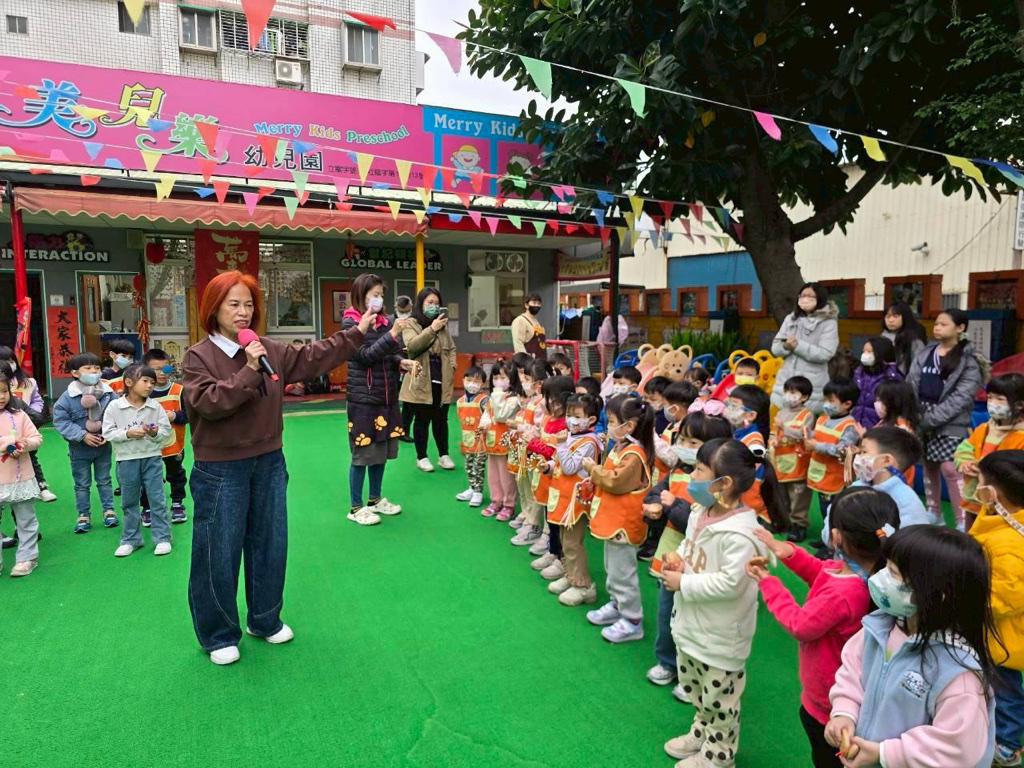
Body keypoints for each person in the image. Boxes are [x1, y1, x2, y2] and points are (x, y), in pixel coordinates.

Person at [183, 270, 371, 665]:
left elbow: (312, 357)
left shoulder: (266, 347)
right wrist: (250, 370)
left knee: (270, 543)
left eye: (249, 304)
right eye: (234, 304)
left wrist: (355, 334)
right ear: (213, 308)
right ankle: (218, 635)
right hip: (221, 469)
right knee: (218, 552)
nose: (243, 312)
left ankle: (265, 619)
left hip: (269, 460)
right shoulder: (199, 356)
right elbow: (209, 403)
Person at [750, 488, 899, 768]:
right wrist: (789, 552)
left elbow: (800, 624)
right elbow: (823, 571)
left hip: (828, 702)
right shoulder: (869, 574)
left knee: (827, 758)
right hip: (842, 695)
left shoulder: (844, 593)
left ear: (836, 536)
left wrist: (768, 583)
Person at [826, 526, 998, 768]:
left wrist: (885, 753)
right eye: (886, 567)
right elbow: (852, 671)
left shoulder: (958, 675)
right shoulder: (880, 627)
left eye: (893, 573)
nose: (881, 578)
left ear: (936, 592)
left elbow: (957, 748)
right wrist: (845, 711)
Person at [661, 438, 786, 767]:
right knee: (695, 688)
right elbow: (690, 547)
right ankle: (701, 732)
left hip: (720, 636)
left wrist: (683, 583)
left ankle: (719, 756)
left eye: (700, 470)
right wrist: (679, 559)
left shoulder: (742, 534)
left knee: (720, 701)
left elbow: (731, 584)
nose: (692, 476)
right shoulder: (700, 512)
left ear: (724, 483)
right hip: (691, 625)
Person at [643, 412, 732, 695]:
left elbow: (699, 524)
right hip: (671, 558)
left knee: (695, 622)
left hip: (700, 568)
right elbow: (654, 494)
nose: (683, 447)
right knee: (666, 613)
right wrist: (655, 507)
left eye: (692, 442)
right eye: (681, 439)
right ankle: (667, 661)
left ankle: (691, 673)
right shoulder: (679, 471)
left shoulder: (719, 489)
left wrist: (672, 506)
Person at [342, 274, 417, 526]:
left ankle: (374, 499)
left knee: (381, 451)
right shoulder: (351, 324)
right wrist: (393, 333)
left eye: (381, 295)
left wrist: (402, 362)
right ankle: (355, 507)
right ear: (361, 295)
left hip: (386, 397)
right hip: (363, 400)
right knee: (362, 453)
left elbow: (390, 354)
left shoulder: (384, 322)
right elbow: (365, 356)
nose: (379, 299)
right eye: (374, 294)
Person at [582, 395, 654, 644]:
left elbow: (615, 481)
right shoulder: (620, 446)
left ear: (629, 426)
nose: (609, 426)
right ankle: (617, 605)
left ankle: (632, 620)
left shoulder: (634, 454)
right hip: (613, 521)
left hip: (624, 524)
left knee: (623, 573)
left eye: (612, 421)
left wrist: (592, 469)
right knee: (612, 569)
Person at [907, 308, 983, 530]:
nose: (937, 328)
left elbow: (961, 397)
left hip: (952, 420)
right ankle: (934, 512)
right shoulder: (925, 354)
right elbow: (911, 383)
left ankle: (961, 521)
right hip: (921, 415)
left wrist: (930, 419)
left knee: (950, 468)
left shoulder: (969, 361)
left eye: (943, 324)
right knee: (928, 464)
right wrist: (915, 413)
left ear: (960, 328)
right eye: (936, 324)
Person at [972, 452, 1024, 766]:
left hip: (1002, 637)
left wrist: (965, 598)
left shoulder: (1009, 543)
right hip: (998, 633)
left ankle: (1007, 743)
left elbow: (1003, 598)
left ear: (991, 492)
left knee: (1005, 690)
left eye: (977, 483)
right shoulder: (1000, 518)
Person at [101, 363, 173, 558]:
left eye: (152, 382)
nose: (150, 385)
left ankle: (162, 538)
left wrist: (155, 432)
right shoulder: (115, 406)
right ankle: (131, 539)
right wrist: (128, 433)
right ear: (129, 382)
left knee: (157, 499)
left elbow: (165, 431)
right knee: (129, 501)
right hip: (126, 459)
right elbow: (107, 432)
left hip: (152, 458)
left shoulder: (155, 406)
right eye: (145, 381)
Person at [545, 393, 604, 607]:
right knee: (564, 540)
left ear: (591, 419)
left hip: (576, 502)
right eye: (569, 415)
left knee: (572, 543)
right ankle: (570, 575)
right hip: (563, 498)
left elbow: (570, 467)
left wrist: (560, 445)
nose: (571, 420)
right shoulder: (571, 436)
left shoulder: (589, 442)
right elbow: (560, 462)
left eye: (577, 416)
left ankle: (583, 585)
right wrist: (548, 467)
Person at [52, 353, 118, 533]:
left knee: (104, 480)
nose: (94, 371)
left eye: (97, 368)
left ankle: (109, 511)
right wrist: (82, 435)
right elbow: (61, 421)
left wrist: (108, 433)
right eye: (88, 368)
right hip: (79, 449)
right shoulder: (67, 397)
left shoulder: (108, 393)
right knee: (81, 484)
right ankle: (83, 514)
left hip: (103, 447)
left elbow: (117, 414)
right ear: (75, 373)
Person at [955, 373, 1024, 533]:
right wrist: (965, 462)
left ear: (1020, 404)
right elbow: (965, 448)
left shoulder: (1021, 436)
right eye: (990, 397)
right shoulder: (984, 428)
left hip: (1005, 504)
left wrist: (988, 470)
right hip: (975, 500)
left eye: (1000, 399)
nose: (992, 403)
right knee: (970, 537)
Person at [399, 287, 457, 473]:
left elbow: (451, 348)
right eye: (430, 302)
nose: (434, 306)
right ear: (421, 303)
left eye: (437, 303)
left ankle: (443, 454)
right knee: (422, 420)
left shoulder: (442, 325)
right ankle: (421, 457)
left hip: (442, 378)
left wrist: (452, 365)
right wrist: (432, 329)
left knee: (441, 419)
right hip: (421, 378)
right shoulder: (411, 323)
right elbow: (412, 345)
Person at [770, 282, 839, 414]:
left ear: (820, 298)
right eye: (802, 295)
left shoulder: (828, 322)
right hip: (785, 383)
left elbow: (825, 353)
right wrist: (786, 346)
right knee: (781, 421)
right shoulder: (791, 318)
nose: (805, 299)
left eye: (810, 296)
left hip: (812, 387)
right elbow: (775, 348)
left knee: (804, 422)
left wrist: (798, 346)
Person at [0, 367, 43, 577]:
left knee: (26, 519)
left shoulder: (19, 415)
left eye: (4, 391)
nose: (1, 396)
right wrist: (8, 442)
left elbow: (36, 439)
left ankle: (27, 558)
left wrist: (23, 444)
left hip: (21, 477)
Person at [0, 347, 55, 502]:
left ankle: (41, 486)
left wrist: (30, 416)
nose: (8, 364)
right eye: (4, 361)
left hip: (23, 428)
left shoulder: (27, 383)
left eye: (11, 361)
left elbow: (37, 401)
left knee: (30, 458)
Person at [141, 348, 189, 524]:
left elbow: (190, 415)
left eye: (166, 368)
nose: (162, 373)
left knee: (176, 474)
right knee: (147, 476)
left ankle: (177, 503)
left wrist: (174, 416)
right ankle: (147, 507)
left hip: (173, 444)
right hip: (147, 445)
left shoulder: (179, 390)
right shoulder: (141, 391)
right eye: (156, 369)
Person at [509, 360, 552, 548]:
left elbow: (539, 429)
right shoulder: (535, 400)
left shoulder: (545, 402)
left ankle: (538, 528)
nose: (525, 383)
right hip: (529, 448)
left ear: (540, 382)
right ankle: (530, 521)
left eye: (528, 379)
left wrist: (521, 428)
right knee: (530, 486)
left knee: (539, 491)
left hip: (541, 452)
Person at [804, 378, 860, 521]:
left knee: (833, 511)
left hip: (835, 477)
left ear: (847, 404)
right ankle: (827, 532)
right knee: (824, 509)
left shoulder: (849, 425)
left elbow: (842, 450)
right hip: (820, 473)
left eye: (831, 401)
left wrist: (816, 446)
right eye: (825, 400)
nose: (826, 404)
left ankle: (834, 533)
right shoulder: (822, 419)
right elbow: (819, 435)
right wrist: (809, 435)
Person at [771, 376, 817, 543]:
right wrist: (773, 440)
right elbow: (774, 432)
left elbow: (804, 435)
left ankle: (799, 525)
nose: (788, 395)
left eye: (793, 392)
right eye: (786, 391)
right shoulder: (781, 412)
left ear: (804, 397)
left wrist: (784, 428)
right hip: (780, 460)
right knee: (781, 494)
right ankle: (784, 521)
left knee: (798, 497)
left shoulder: (807, 415)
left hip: (798, 462)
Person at [479, 360, 522, 520]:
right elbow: (488, 413)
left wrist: (497, 395)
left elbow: (501, 415)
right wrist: (483, 424)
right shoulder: (493, 397)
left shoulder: (514, 398)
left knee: (506, 476)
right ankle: (496, 500)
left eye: (503, 377)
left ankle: (508, 504)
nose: (498, 381)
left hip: (506, 444)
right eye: (495, 378)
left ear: (512, 378)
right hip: (492, 441)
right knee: (493, 475)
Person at [455, 366, 488, 508]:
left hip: (481, 442)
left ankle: (478, 492)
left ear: (483, 383)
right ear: (463, 380)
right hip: (467, 440)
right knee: (468, 466)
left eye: (476, 381)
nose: (472, 384)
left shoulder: (484, 401)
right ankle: (471, 488)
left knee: (478, 467)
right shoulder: (460, 401)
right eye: (468, 380)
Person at [851, 336, 902, 430]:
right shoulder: (858, 372)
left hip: (879, 428)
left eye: (869, 352)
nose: (865, 355)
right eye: (863, 351)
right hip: (856, 424)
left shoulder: (892, 377)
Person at [881, 300, 927, 377]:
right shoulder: (882, 337)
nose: (891, 320)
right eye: (888, 316)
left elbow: (919, 366)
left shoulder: (915, 340)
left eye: (896, 316)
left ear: (905, 317)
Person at [395, 295, 417, 443]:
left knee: (409, 401)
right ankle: (390, 430)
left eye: (406, 311)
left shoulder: (416, 321)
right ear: (395, 307)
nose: (404, 314)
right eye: (401, 311)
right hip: (393, 365)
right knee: (391, 400)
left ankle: (404, 430)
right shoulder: (388, 321)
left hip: (411, 365)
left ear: (411, 307)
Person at [511, 293, 547, 357]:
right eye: (534, 303)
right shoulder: (520, 320)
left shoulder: (538, 322)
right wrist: (524, 360)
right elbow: (518, 343)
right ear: (526, 305)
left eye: (539, 303)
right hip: (528, 361)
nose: (536, 305)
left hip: (541, 360)